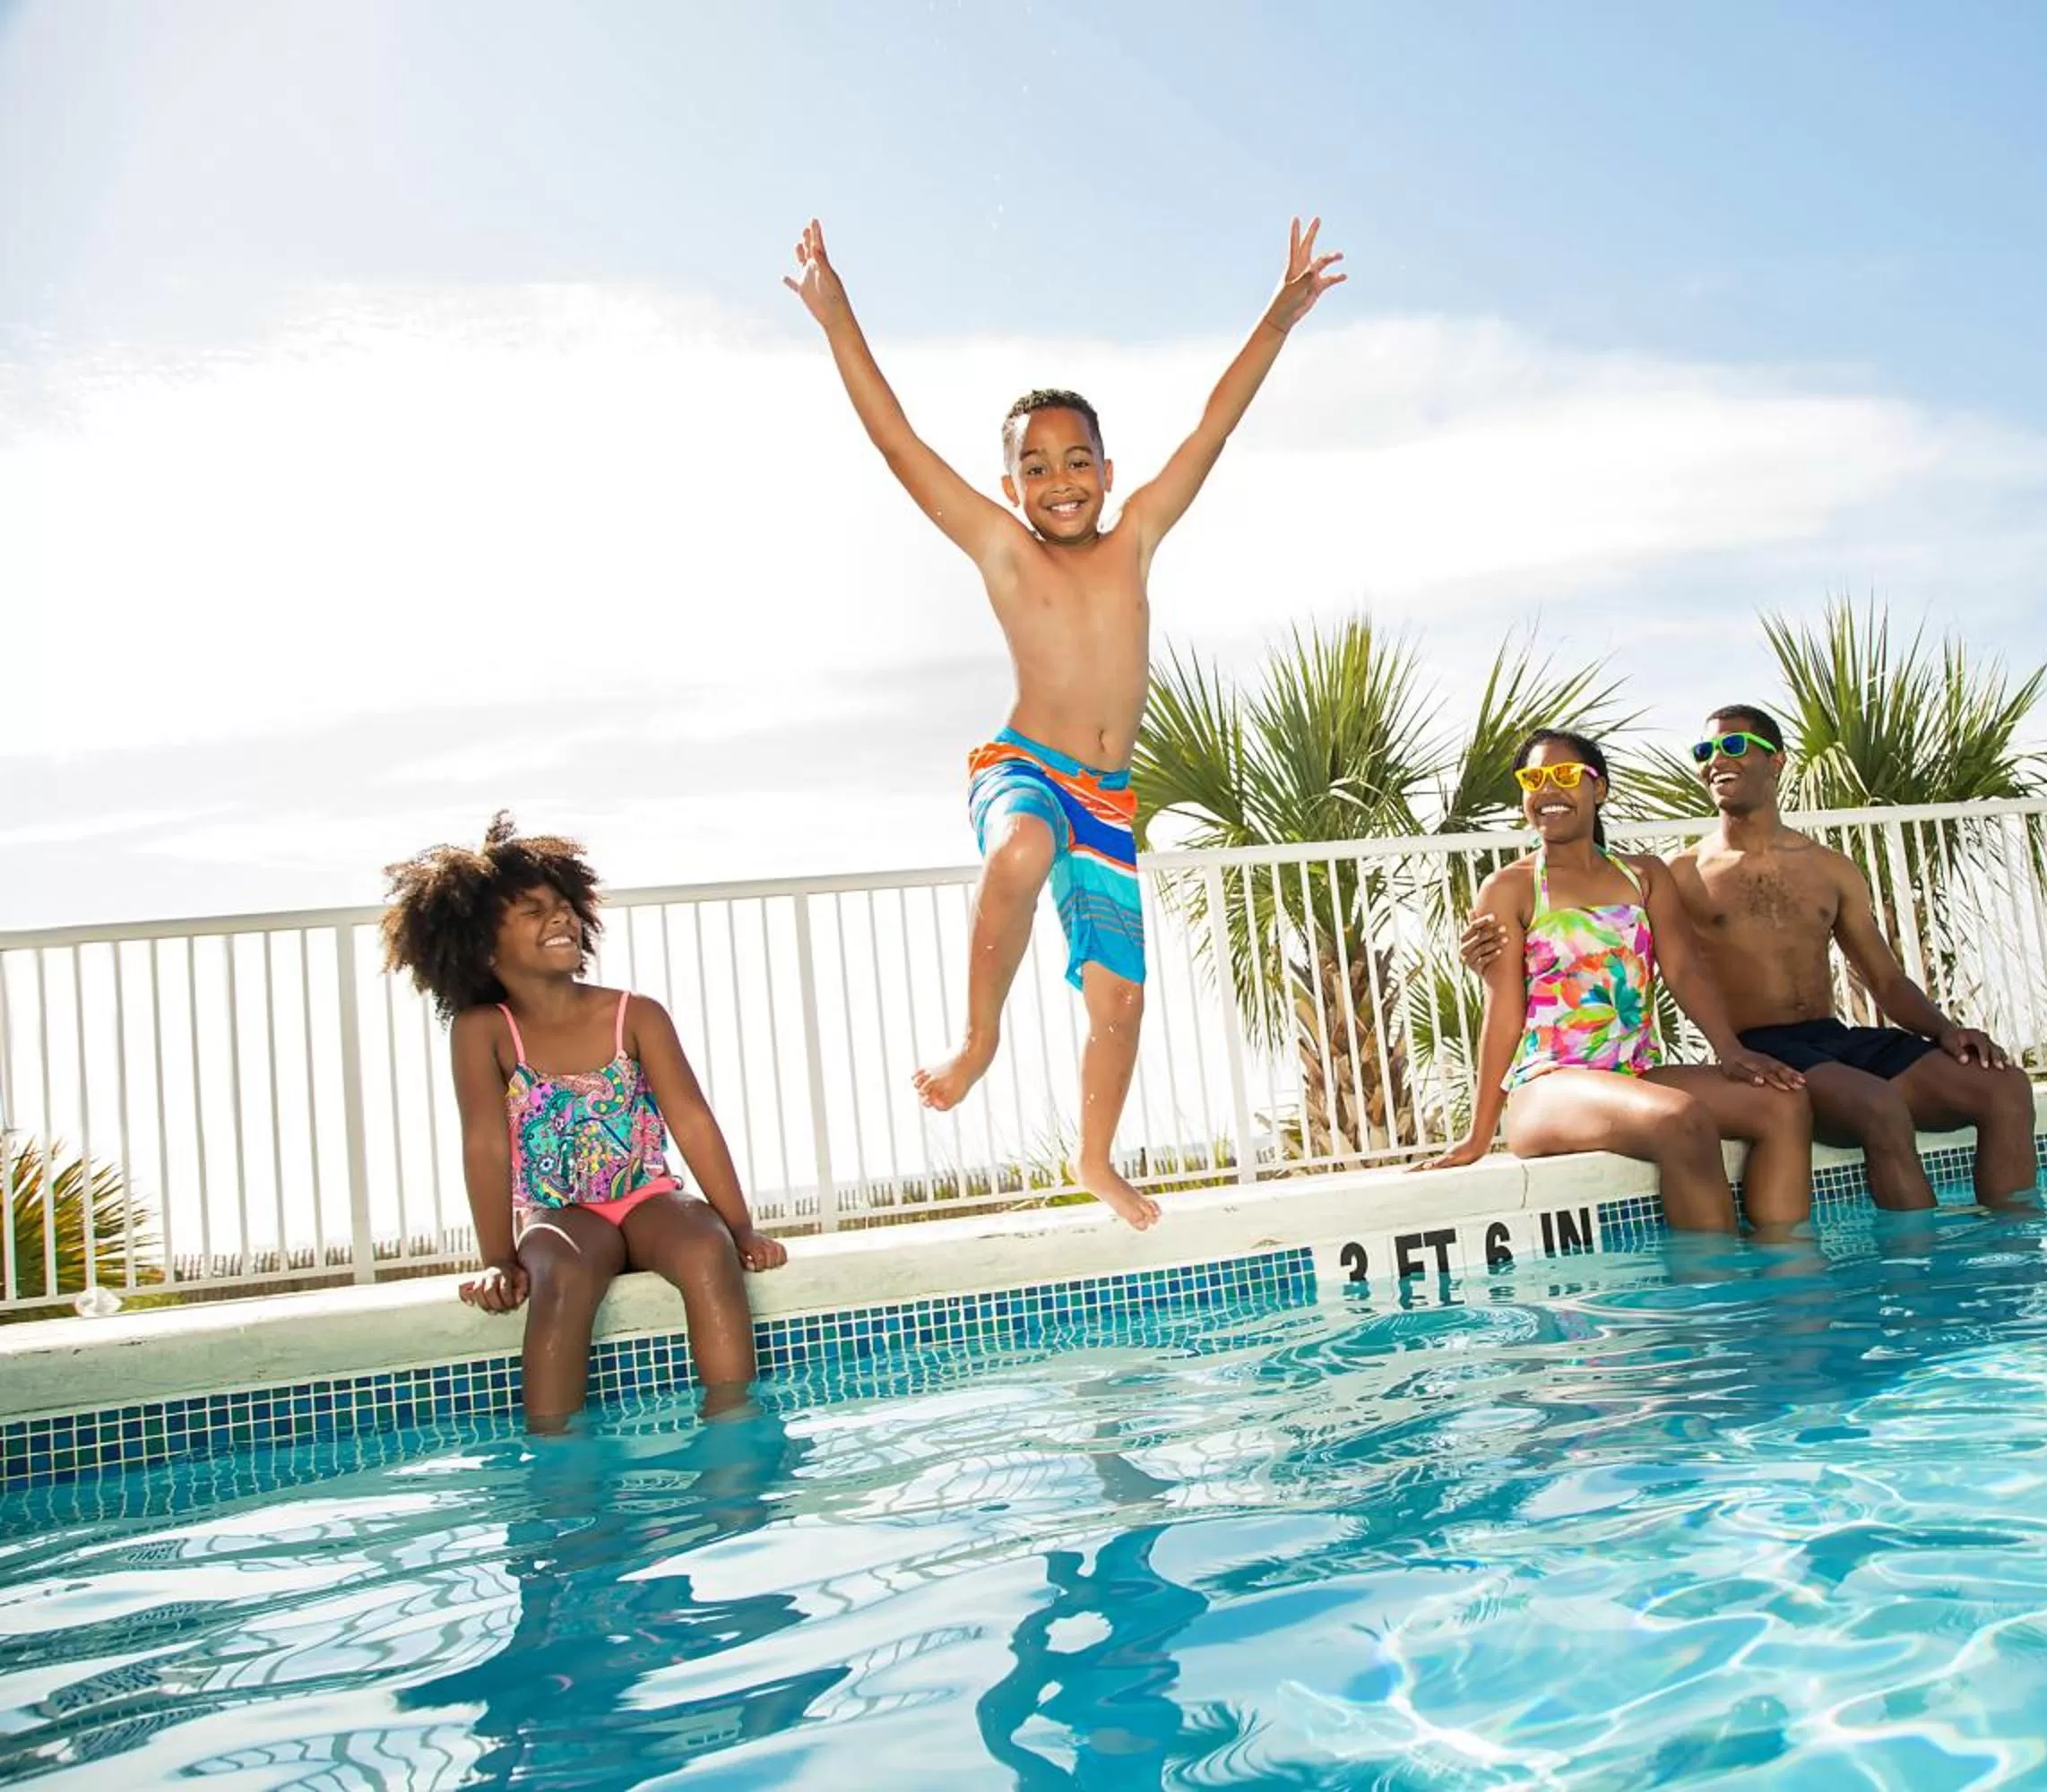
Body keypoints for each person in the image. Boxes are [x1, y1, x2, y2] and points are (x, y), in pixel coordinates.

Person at [783, 216, 1347, 1230]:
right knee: (1018, 851)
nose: (1058, 482)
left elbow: (1212, 426)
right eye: (1034, 468)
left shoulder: (1136, 538)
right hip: (1025, 766)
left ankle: (1095, 1155)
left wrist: (1279, 312)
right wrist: (837, 317)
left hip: (1110, 798)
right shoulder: (1003, 549)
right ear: (1008, 486)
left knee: (1121, 1001)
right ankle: (978, 1037)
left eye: (1076, 460)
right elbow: (895, 439)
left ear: (1108, 469)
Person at [1465, 703, 2037, 1210]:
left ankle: (2000, 1258)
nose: (1717, 758)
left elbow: (1878, 977)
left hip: (1787, 1043)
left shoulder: (1812, 869)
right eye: (1706, 750)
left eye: (1734, 745)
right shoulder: (1673, 874)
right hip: (1648, 1062)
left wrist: (1944, 1030)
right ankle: (1910, 1273)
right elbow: (1517, 1000)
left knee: (2000, 1088)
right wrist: (1477, 1128)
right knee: (1858, 1107)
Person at [381, 815, 788, 1431]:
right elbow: (486, 1147)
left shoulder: (635, 1014)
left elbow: (692, 1120)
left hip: (647, 1200)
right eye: (533, 909)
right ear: (483, 946)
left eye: (566, 905)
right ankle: (557, 1463)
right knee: (561, 1274)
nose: (561, 916)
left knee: (707, 1248)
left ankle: (736, 1434)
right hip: (557, 1214)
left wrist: (740, 1229)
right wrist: (498, 1257)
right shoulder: (483, 1031)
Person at [1421, 729, 1816, 1233]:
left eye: (1565, 776)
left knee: (1783, 1104)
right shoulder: (1509, 888)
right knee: (1680, 1120)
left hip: (1632, 1072)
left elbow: (1683, 969)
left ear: (1599, 789)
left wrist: (1730, 1051)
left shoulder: (1644, 876)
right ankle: (1722, 1301)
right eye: (1534, 779)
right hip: (1548, 1086)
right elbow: (1503, 1010)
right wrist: (1479, 1134)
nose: (1548, 790)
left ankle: (1789, 1278)